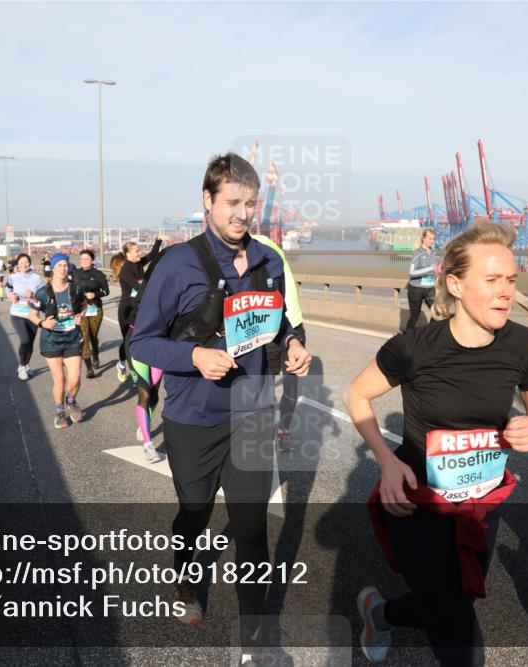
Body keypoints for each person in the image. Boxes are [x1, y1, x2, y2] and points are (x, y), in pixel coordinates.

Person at [344, 221, 528, 665]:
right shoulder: (415, 346)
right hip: (417, 500)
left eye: (511, 281)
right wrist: (385, 462)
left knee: (454, 598)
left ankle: (379, 614)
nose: (505, 292)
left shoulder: (522, 344)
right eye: (492, 280)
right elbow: (356, 395)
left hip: (481, 501)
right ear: (455, 284)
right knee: (457, 629)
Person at [129, 152, 311, 663]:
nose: (242, 214)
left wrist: (294, 345)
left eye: (250, 203)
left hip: (253, 412)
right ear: (207, 201)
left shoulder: (269, 261)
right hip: (194, 419)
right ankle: (184, 579)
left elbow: (280, 324)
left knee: (252, 529)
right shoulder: (177, 264)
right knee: (195, 511)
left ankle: (254, 644)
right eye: (232, 202)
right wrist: (192, 356)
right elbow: (140, 343)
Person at [252, 233, 305, 451]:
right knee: (290, 386)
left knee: (265, 386)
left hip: (277, 326)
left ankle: (275, 429)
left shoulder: (254, 247)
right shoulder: (270, 245)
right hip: (293, 324)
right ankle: (282, 430)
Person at [27, 253, 87, 428]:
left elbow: (84, 305)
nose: (63, 268)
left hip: (72, 338)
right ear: (53, 268)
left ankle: (71, 400)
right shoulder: (42, 292)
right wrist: (43, 323)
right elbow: (31, 314)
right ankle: (60, 413)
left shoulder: (75, 289)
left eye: (65, 265)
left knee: (75, 378)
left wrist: (79, 316)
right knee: (59, 379)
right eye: (59, 265)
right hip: (52, 341)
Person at [116, 237, 162, 381]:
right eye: (136, 251)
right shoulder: (125, 271)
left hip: (139, 308)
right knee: (127, 341)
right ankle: (123, 364)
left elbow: (152, 255)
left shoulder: (138, 264)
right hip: (127, 309)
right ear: (128, 254)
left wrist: (158, 241)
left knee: (138, 338)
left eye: (139, 250)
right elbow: (139, 288)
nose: (139, 253)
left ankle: (140, 366)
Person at [5, 253, 44, 381]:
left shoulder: (37, 278)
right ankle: (21, 366)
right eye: (21, 263)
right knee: (25, 339)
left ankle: (26, 365)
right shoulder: (13, 277)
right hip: (17, 313)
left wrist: (33, 296)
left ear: (30, 263)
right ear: (17, 264)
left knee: (31, 342)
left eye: (26, 262)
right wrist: (10, 296)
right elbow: (8, 288)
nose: (23, 265)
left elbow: (42, 297)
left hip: (32, 314)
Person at [72, 249, 110, 378]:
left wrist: (94, 294)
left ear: (92, 261)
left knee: (93, 336)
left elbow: (106, 291)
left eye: (87, 259)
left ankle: (95, 354)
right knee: (85, 336)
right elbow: (70, 290)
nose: (84, 261)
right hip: (79, 310)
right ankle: (89, 368)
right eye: (82, 259)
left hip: (95, 309)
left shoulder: (98, 274)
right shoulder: (75, 273)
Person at [405, 228, 438, 331]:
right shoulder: (418, 253)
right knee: (415, 315)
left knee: (436, 313)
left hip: (430, 287)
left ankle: (430, 334)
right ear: (423, 238)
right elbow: (411, 272)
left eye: (433, 239)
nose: (432, 241)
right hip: (416, 289)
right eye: (429, 239)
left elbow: (434, 269)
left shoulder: (433, 252)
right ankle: (407, 337)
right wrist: (429, 269)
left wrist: (438, 270)